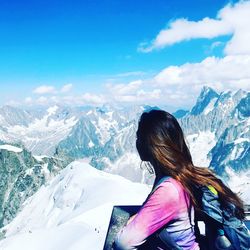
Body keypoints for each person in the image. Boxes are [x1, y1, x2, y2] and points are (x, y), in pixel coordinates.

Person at [113, 109, 245, 250]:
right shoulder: (181, 177)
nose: (137, 143)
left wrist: (133, 221)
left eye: (139, 138)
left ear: (149, 145)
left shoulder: (169, 190)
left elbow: (124, 243)